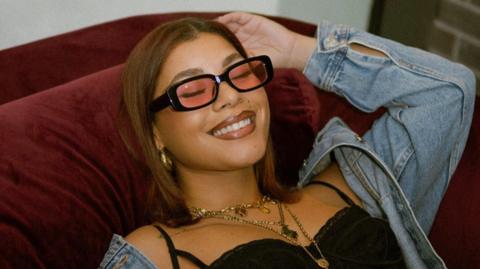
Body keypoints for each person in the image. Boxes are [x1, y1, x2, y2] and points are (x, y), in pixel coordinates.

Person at [99, 12, 475, 269]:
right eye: (195, 89)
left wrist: (301, 51)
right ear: (156, 134)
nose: (230, 96)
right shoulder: (156, 253)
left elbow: (448, 91)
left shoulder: (350, 184)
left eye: (237, 72)